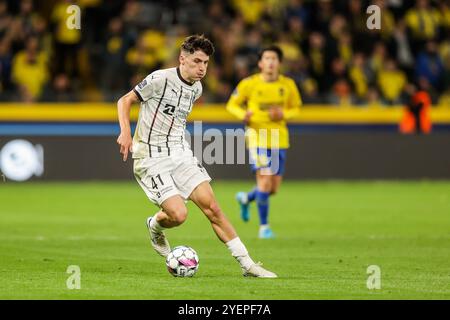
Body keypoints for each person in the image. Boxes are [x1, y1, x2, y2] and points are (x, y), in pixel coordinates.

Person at [116, 35, 277, 278]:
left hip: (180, 153)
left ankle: (248, 264)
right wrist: (126, 133)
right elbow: (125, 100)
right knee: (179, 215)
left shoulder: (197, 89)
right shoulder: (160, 79)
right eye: (197, 61)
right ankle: (155, 225)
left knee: (213, 207)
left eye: (206, 63)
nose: (202, 68)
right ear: (182, 59)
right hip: (150, 156)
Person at [226, 45, 302, 239]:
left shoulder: (288, 85)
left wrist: (283, 113)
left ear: (279, 63)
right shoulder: (249, 84)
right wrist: (244, 115)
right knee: (265, 180)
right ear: (260, 63)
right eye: (267, 58)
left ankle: (246, 198)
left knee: (272, 188)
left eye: (274, 58)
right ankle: (264, 227)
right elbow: (232, 104)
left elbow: (297, 109)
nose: (270, 62)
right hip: (257, 136)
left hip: (279, 138)